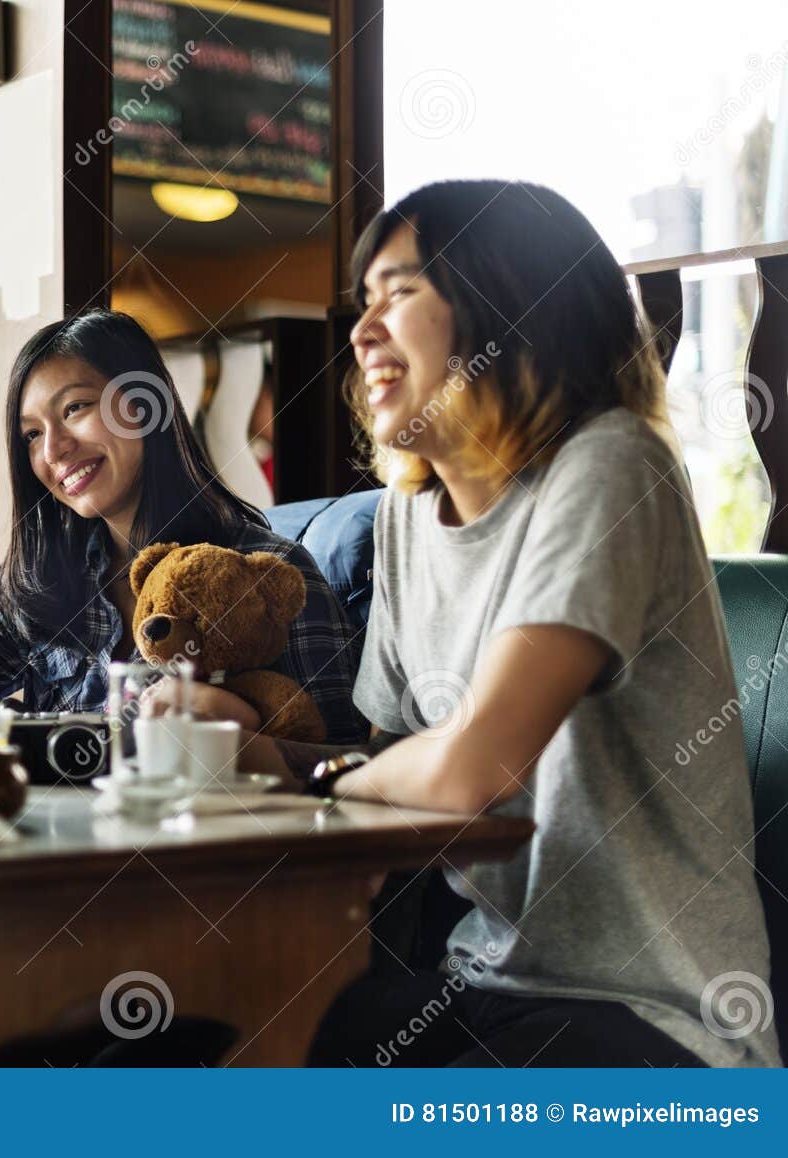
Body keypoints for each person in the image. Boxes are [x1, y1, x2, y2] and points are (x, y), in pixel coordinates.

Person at [278, 179, 778, 1067]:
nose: (361, 332)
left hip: (652, 1025)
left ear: (507, 309)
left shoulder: (612, 467)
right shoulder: (402, 518)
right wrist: (238, 756)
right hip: (484, 989)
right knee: (250, 1057)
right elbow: (390, 772)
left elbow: (471, 768)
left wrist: (328, 784)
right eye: (365, 303)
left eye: (400, 293)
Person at [0, 309, 365, 746]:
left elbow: (342, 765)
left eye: (76, 408)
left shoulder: (265, 574)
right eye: (31, 435)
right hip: (62, 857)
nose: (54, 449)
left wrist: (233, 736)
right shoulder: (36, 581)